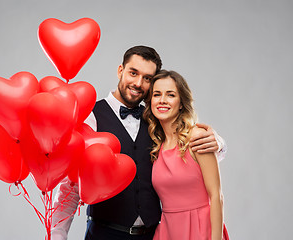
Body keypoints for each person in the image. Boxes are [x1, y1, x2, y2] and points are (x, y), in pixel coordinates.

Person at [51, 46, 227, 240]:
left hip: (152, 235)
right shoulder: (91, 117)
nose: (137, 83)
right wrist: (58, 234)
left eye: (147, 78)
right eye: (133, 73)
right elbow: (71, 185)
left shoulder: (157, 120)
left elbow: (188, 149)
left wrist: (218, 142)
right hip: (104, 233)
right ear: (120, 70)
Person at [143, 70, 229, 239]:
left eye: (170, 95)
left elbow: (216, 196)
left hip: (201, 229)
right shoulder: (156, 145)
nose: (162, 100)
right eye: (157, 94)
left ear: (181, 102)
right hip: (168, 231)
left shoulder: (197, 137)